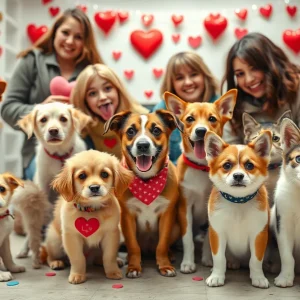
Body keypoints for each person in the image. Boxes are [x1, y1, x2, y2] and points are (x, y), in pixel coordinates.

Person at [1, 8, 103, 181]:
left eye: (78, 37)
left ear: (85, 42)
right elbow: (7, 109)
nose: (70, 41)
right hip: (40, 152)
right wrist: (41, 110)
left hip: (82, 148)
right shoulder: (31, 61)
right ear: (55, 32)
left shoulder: (92, 69)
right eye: (65, 32)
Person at [221, 32, 300, 144]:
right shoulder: (234, 106)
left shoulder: (296, 90)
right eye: (240, 74)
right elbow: (231, 153)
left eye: (254, 68)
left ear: (271, 64)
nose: (249, 80)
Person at [152, 51, 219, 164]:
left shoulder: (218, 106)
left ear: (204, 76)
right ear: (171, 83)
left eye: (194, 74)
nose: (188, 82)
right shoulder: (162, 111)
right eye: (179, 78)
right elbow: (155, 157)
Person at [71, 63, 148, 159]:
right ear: (84, 101)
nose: (102, 97)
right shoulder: (85, 130)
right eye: (92, 93)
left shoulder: (143, 118)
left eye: (107, 88)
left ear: (118, 90)